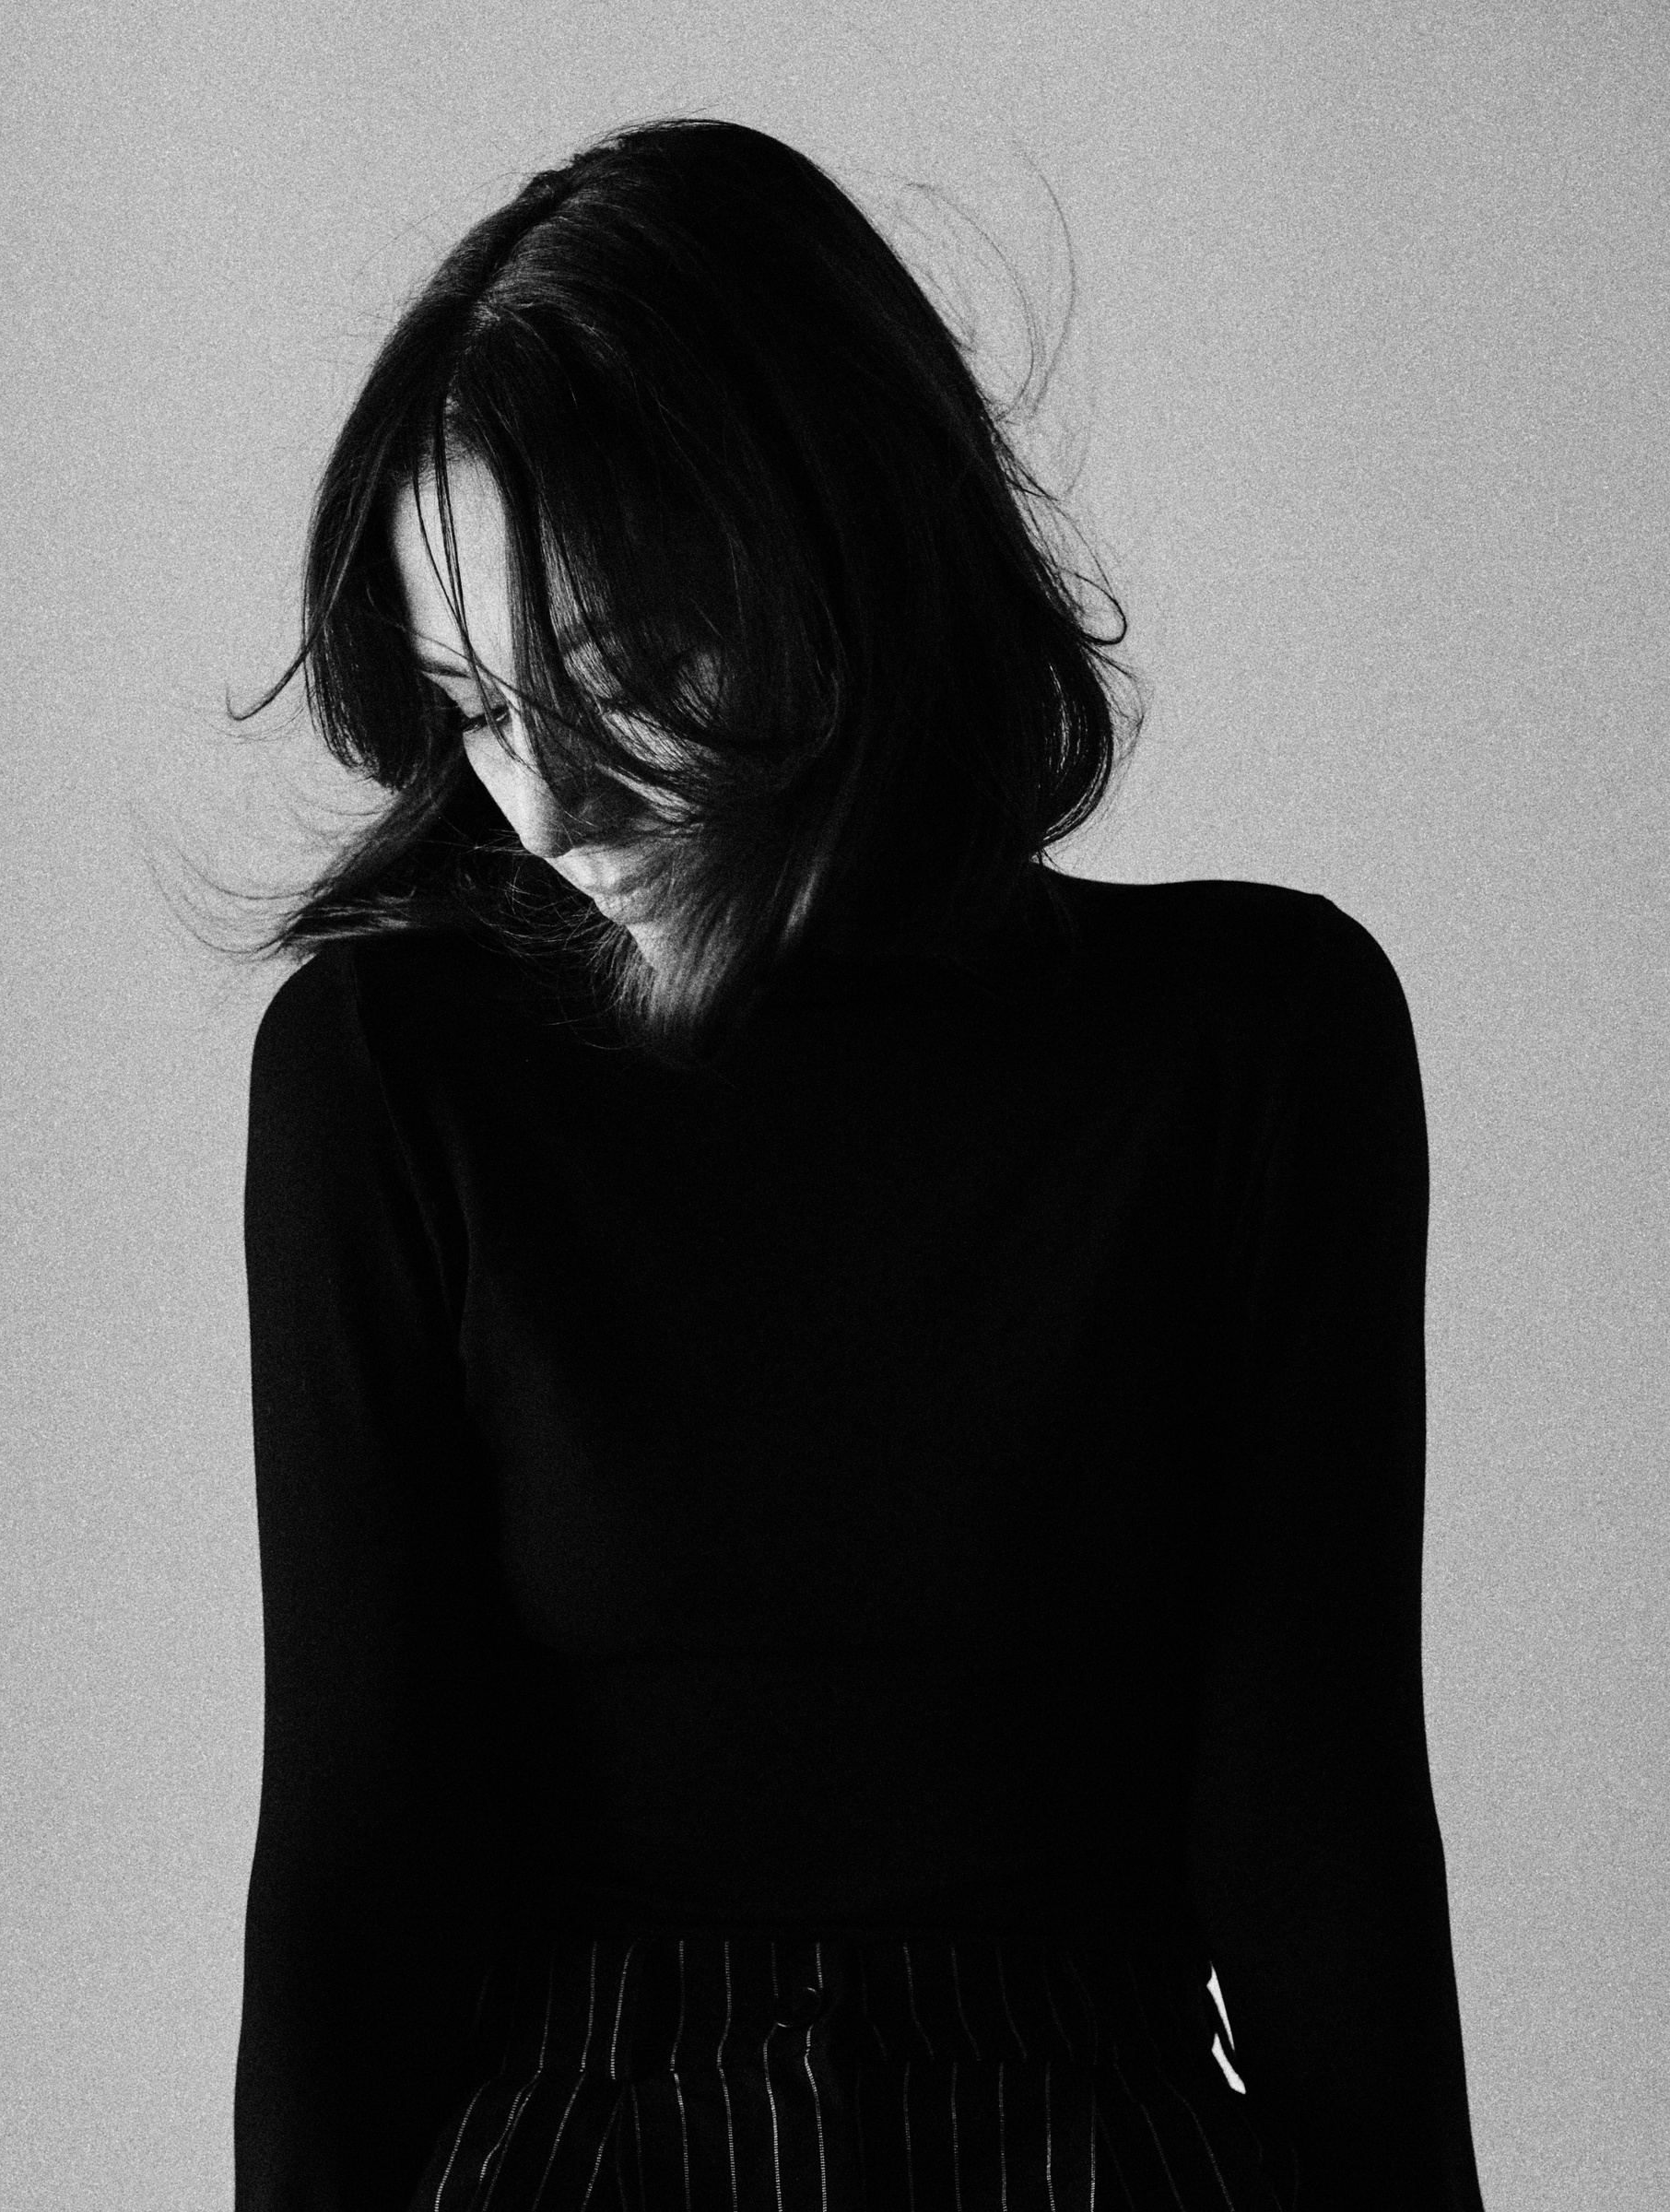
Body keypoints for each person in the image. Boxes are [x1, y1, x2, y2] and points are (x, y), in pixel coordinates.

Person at [229, 117, 1487, 2212]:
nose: (544, 801)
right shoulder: (393, 1072)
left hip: (1096, 2155)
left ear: (853, 564)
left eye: (624, 676)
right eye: (477, 706)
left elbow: (1326, 1852)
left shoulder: (1261, 1040)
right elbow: (354, 1892)